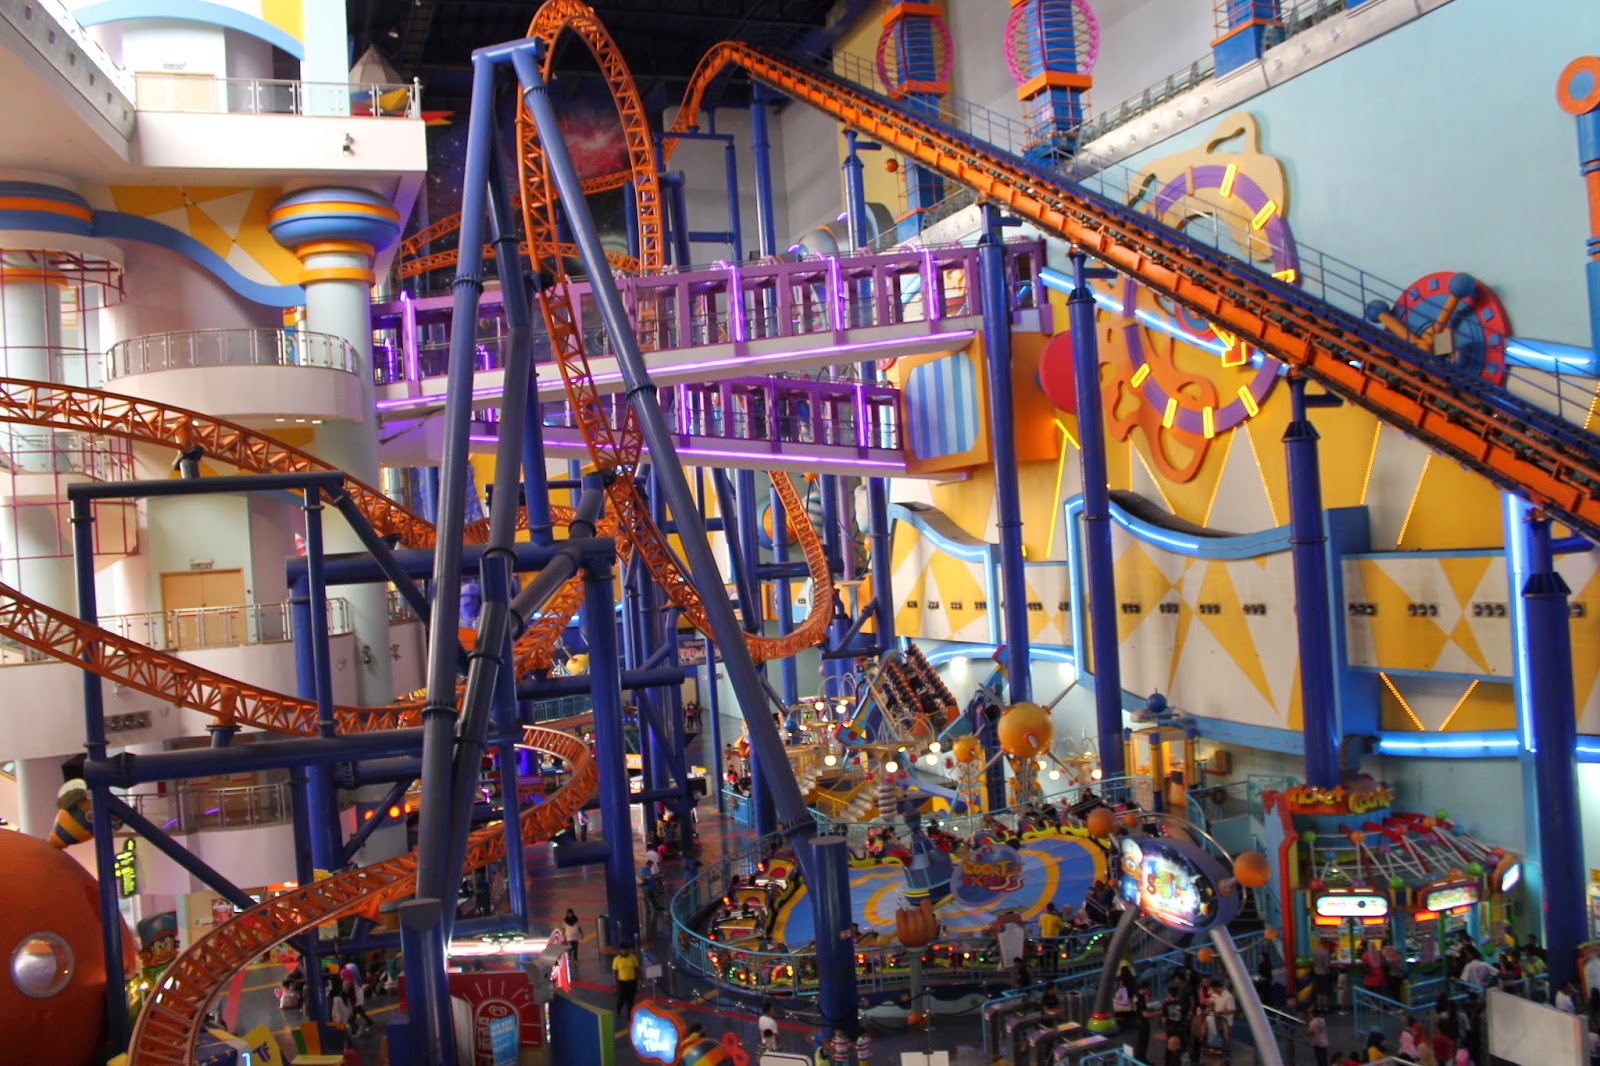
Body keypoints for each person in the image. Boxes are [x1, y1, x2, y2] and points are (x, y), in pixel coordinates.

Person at [611, 940, 639, 1020]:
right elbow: (615, 972)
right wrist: (616, 984)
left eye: (626, 949)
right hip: (622, 983)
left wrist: (636, 980)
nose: (624, 951)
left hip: (631, 982)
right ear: (620, 950)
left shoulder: (632, 958)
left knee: (630, 1000)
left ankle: (630, 1014)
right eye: (623, 949)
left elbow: (636, 969)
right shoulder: (617, 959)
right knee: (621, 999)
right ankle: (618, 1011)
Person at [1211, 978, 1237, 1052]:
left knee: (1226, 1038)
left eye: (1213, 989)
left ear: (1217, 988)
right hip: (1217, 1019)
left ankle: (1228, 1054)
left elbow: (1232, 1010)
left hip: (1226, 1021)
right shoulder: (1215, 995)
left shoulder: (1228, 996)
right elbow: (1214, 1004)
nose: (1213, 991)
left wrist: (1221, 1013)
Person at [1312, 938, 1335, 1013]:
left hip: (1316, 973)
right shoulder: (1325, 952)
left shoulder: (1314, 951)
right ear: (1325, 943)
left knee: (1319, 992)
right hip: (1324, 974)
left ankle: (1319, 1008)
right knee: (1325, 993)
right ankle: (1325, 1008)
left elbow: (1313, 962)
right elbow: (1327, 964)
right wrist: (1336, 965)